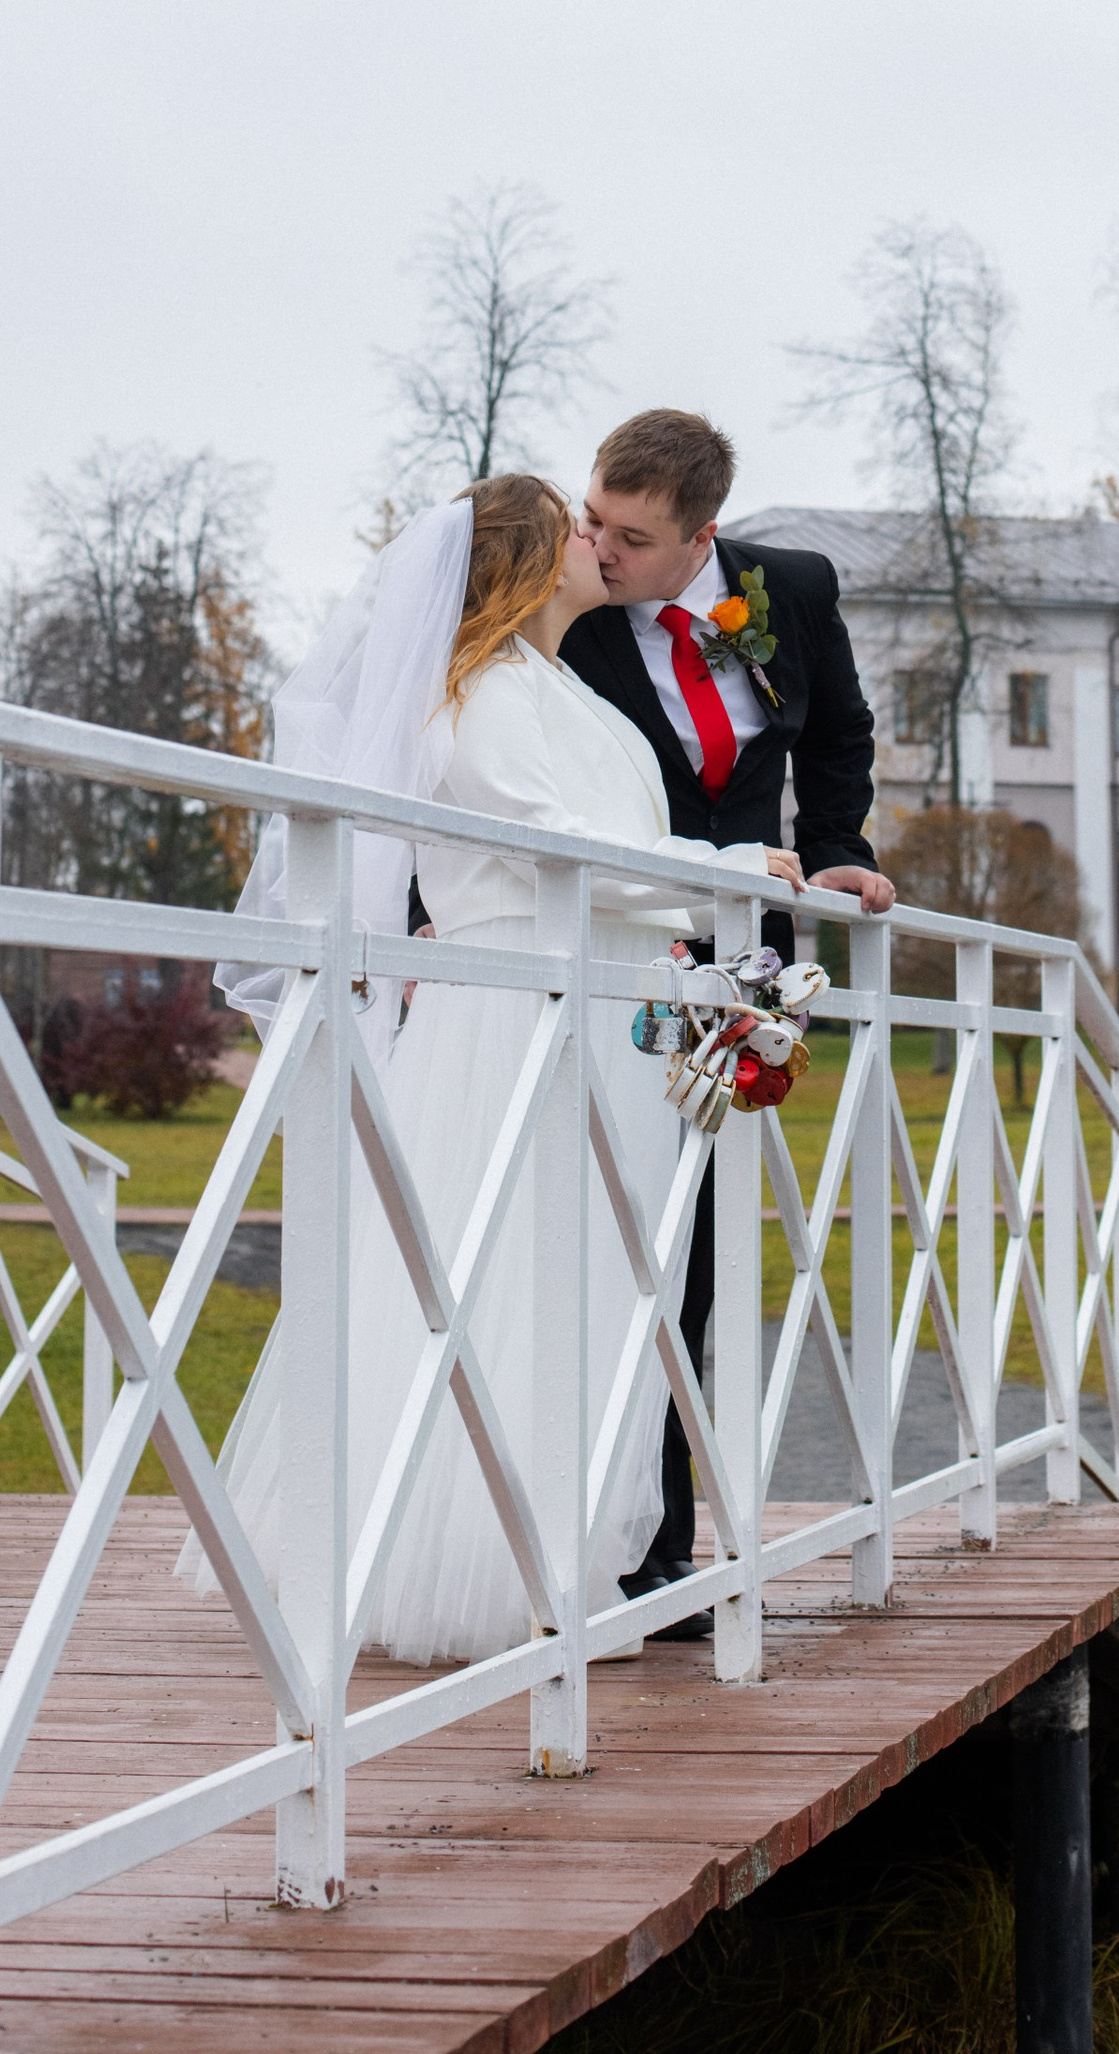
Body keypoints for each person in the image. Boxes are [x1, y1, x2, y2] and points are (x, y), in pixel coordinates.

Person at [187, 476, 790, 1668]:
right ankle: (478, 1556)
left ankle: (554, 1546)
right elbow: (559, 846)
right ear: (520, 558)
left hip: (602, 994)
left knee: (592, 1277)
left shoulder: (564, 689)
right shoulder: (480, 694)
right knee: (509, 1258)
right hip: (514, 1001)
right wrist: (731, 870)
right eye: (573, 525)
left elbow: (608, 849)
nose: (593, 541)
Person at [558, 408, 894, 1616]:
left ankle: (664, 1549)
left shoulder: (790, 590)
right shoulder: (570, 609)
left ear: (702, 537)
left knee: (694, 1249)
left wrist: (839, 849)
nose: (600, 548)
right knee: (606, 1236)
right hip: (607, 959)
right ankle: (618, 1547)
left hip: (743, 972)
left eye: (632, 535)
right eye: (594, 516)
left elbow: (840, 734)